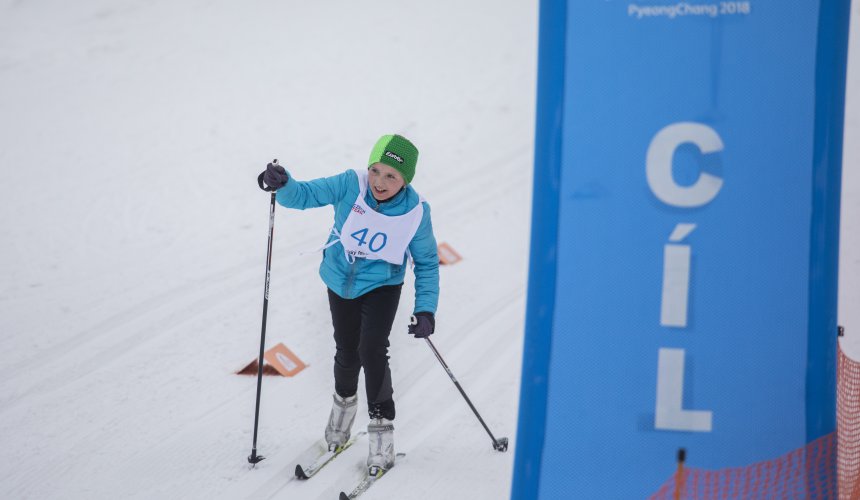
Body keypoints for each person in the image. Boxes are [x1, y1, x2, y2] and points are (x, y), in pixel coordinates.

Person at [260, 134, 439, 474]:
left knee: (372, 349)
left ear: (406, 180)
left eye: (392, 176)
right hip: (339, 279)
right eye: (376, 170)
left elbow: (427, 262)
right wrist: (282, 184)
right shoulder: (350, 184)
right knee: (346, 351)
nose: (380, 182)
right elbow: (304, 195)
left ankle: (381, 435)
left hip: (383, 285)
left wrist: (426, 308)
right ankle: (339, 425)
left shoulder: (416, 212)